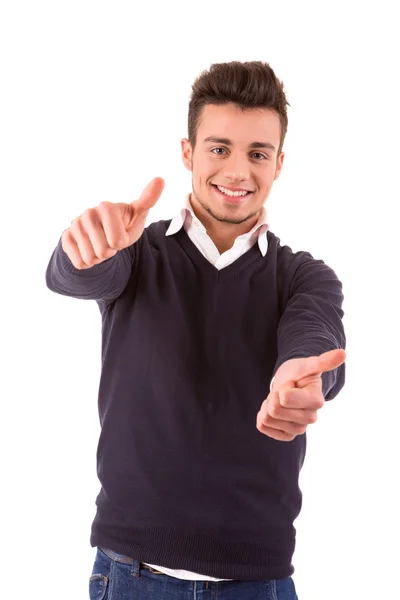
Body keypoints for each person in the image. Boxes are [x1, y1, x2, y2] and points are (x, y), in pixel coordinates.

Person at [45, 60, 346, 600]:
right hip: (128, 574)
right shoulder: (135, 251)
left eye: (257, 154)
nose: (236, 171)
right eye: (218, 148)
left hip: (259, 583)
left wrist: (304, 380)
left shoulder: (304, 275)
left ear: (278, 165)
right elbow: (77, 273)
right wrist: (81, 245)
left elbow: (314, 337)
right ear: (188, 153)